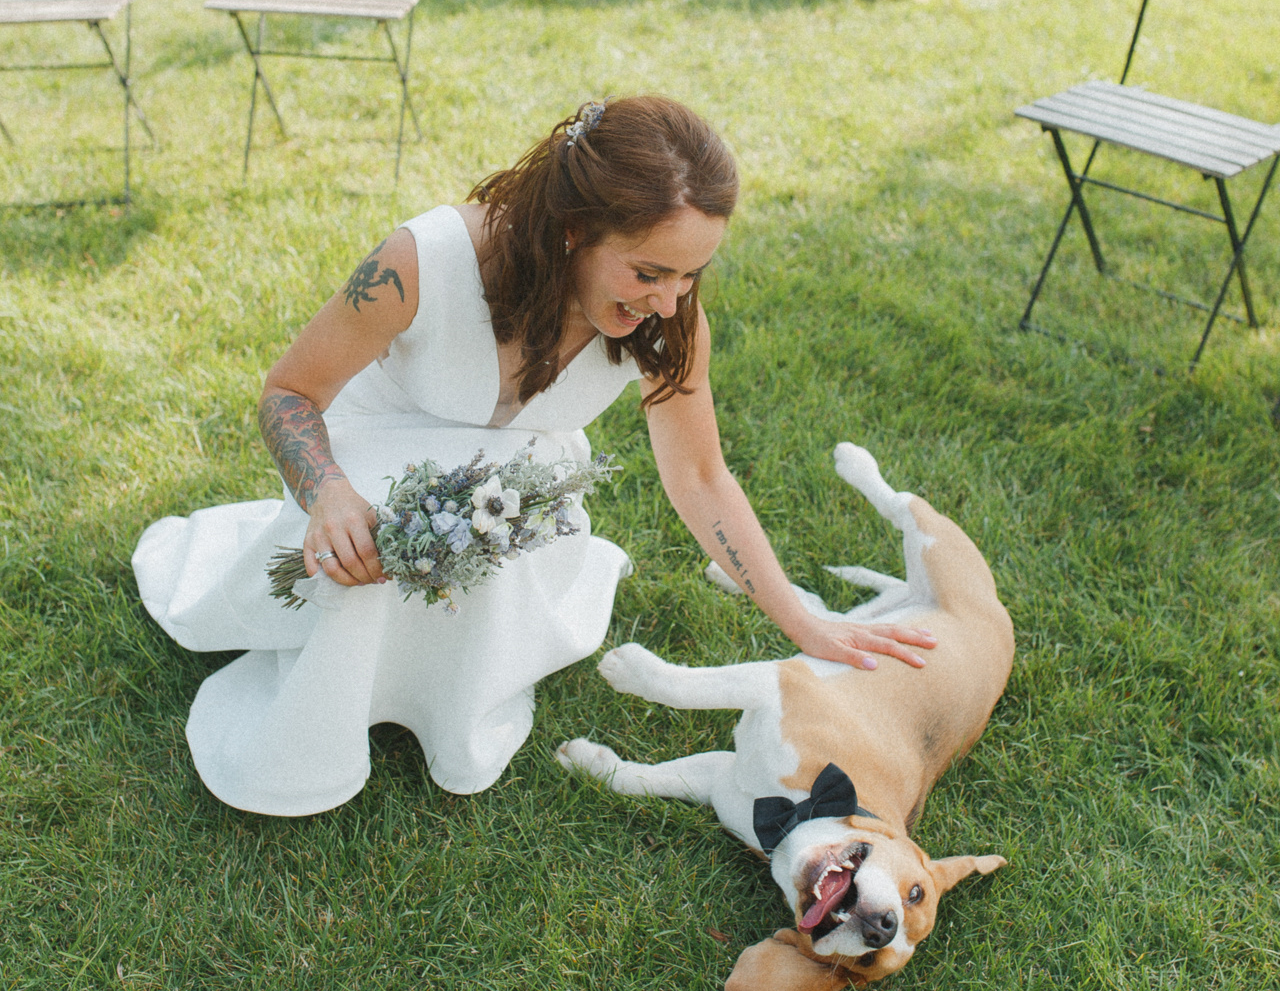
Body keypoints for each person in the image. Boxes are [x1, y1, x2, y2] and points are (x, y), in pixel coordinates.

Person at [133, 97, 934, 816]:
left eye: (692, 275)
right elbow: (287, 394)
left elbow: (699, 477)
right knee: (369, 562)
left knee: (488, 550)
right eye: (649, 271)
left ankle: (447, 703)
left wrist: (802, 619)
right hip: (380, 452)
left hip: (522, 483)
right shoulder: (419, 263)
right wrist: (330, 494)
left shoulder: (668, 323)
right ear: (572, 229)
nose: (669, 301)